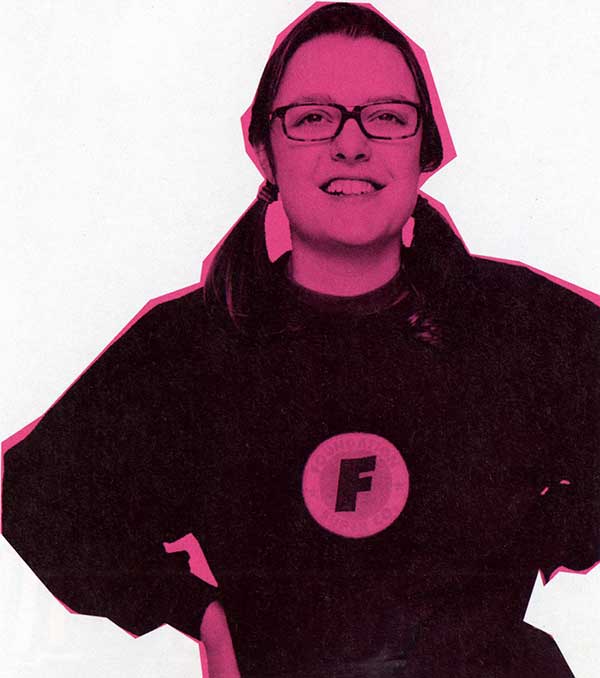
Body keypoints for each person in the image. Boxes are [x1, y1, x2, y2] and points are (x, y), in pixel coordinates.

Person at [2, 2, 599, 677]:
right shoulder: (191, 346)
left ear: (425, 151)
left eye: (387, 117)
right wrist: (199, 613)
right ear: (264, 149)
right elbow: (37, 496)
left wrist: (547, 535)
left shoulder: (515, 321)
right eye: (313, 118)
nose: (352, 144)